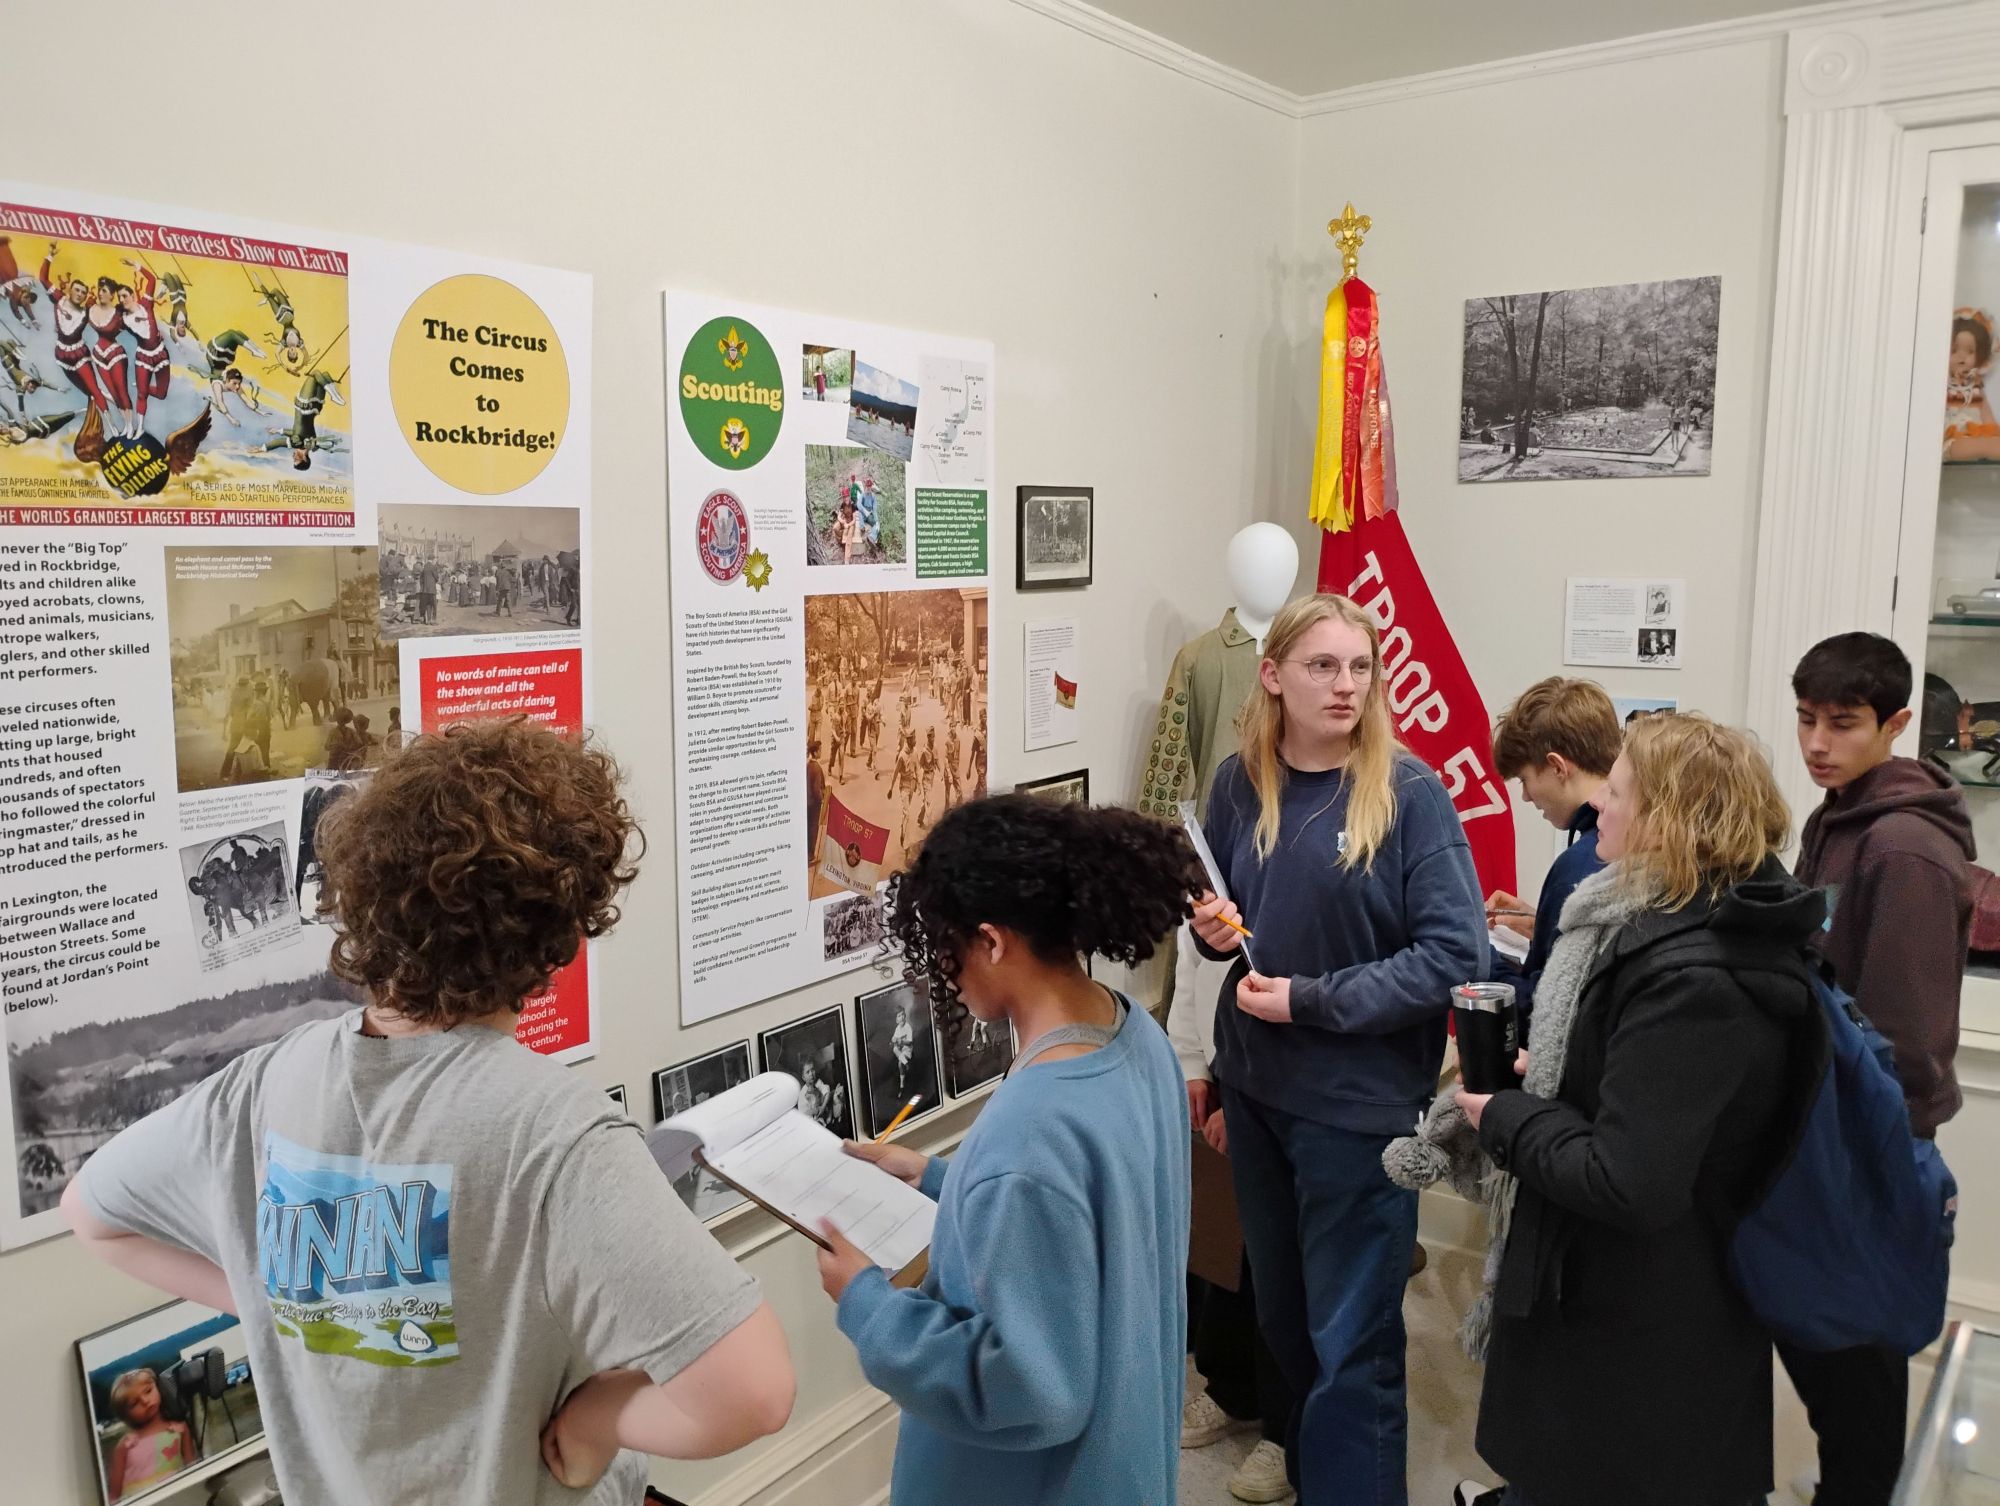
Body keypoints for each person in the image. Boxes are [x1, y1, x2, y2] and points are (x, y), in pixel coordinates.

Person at [64, 717, 797, 1503]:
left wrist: (281, 1300)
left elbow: (92, 1215)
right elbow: (754, 1394)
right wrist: (597, 1419)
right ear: (557, 933)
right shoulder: (553, 1134)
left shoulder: (258, 1086)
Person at [1451, 714, 1822, 1506]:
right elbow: (1646, 1097)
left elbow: (1629, 1179)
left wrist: (1506, 1116)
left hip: (1639, 1328)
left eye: (1617, 793)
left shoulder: (1696, 979)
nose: (1599, 807)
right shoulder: (1682, 931)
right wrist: (1566, 1076)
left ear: (1666, 822)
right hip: (1648, 1306)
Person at [816, 793, 1200, 1505]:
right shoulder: (1134, 1035)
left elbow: (1030, 1389)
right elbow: (1089, 1217)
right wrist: (942, 1178)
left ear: (992, 942)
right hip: (1128, 1454)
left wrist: (867, 1303)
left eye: (946, 945)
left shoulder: (1028, 1131)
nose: (944, 968)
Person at [1189, 593, 1485, 1506]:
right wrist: (1210, 929)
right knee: (1286, 1330)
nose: (1346, 685)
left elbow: (1455, 959)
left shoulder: (1411, 794)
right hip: (1258, 1095)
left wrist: (1310, 1001)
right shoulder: (1239, 782)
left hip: (1358, 1111)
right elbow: (1229, 924)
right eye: (1323, 665)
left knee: (1353, 1347)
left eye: (1361, 666)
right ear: (1273, 676)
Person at [1787, 632, 1975, 1506]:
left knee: (1860, 1380)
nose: (1818, 743)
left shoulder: (1903, 848)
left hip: (1871, 1145)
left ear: (1897, 724)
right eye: (1806, 719)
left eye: (1844, 723)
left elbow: (1901, 1038)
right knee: (1834, 1369)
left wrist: (1862, 1160)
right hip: (1828, 1135)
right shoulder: (1837, 814)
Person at [1169, 919, 1297, 1504]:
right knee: (1226, 1249)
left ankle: (1287, 1429)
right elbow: (1192, 969)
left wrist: (1245, 1102)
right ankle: (1234, 1389)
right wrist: (1194, 1066)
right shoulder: (1208, 883)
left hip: (1282, 1094)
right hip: (1228, 1077)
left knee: (1286, 1272)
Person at [1482, 677, 1619, 1040]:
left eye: (1525, 779)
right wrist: (1543, 925)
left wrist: (1479, 954)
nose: (1526, 796)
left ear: (1557, 766)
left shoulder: (1580, 863)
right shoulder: (1630, 842)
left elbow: (1540, 1008)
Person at [105, 1367, 197, 1501]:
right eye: (134, 1403)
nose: (145, 1401)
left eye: (148, 1391)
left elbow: (193, 1468)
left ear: (158, 1387)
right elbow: (114, 1496)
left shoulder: (179, 1429)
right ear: (125, 1414)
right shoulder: (126, 1445)